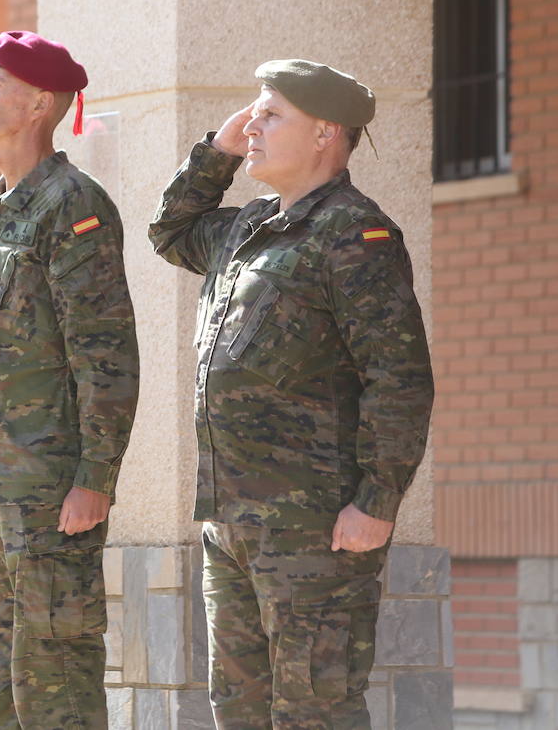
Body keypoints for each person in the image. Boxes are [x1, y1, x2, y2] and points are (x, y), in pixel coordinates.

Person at [148, 59, 434, 728]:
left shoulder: (354, 234)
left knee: (317, 711)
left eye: (272, 114)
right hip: (233, 520)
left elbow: (398, 376)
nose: (253, 124)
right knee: (239, 710)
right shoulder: (247, 228)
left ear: (325, 134)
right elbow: (171, 231)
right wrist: (216, 152)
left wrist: (377, 499)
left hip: (314, 528)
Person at [0, 31, 139, 729]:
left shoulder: (71, 205)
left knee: (55, 681)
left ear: (37, 104)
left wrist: (96, 476)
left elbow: (107, 353)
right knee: (0, 685)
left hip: (48, 488)